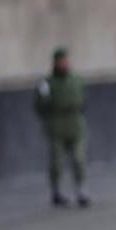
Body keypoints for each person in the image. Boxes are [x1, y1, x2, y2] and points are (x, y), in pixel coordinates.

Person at [34, 47, 89, 208]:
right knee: (56, 162)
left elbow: (84, 100)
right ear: (55, 63)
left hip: (75, 124)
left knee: (79, 159)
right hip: (57, 125)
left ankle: (82, 190)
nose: (64, 64)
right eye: (61, 61)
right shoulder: (47, 83)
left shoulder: (76, 79)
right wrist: (48, 118)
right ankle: (56, 191)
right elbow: (39, 106)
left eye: (66, 61)